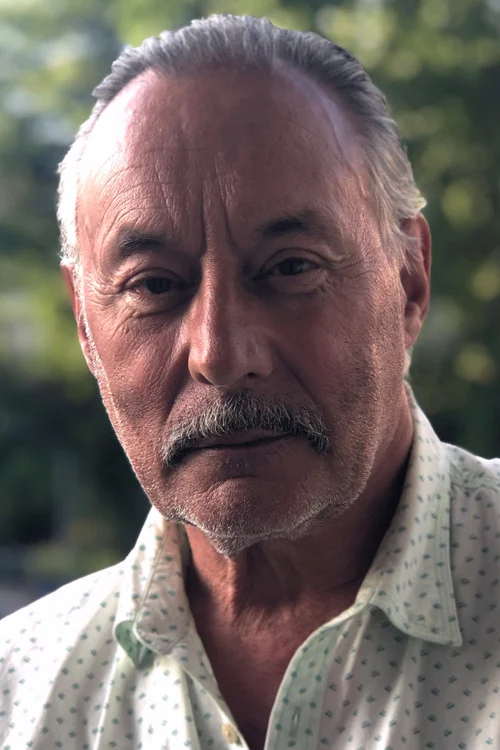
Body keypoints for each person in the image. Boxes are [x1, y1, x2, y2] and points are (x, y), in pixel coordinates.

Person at [1, 13, 499, 750]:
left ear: (409, 280)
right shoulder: (19, 697)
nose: (220, 353)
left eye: (291, 267)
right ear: (84, 324)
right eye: (153, 284)